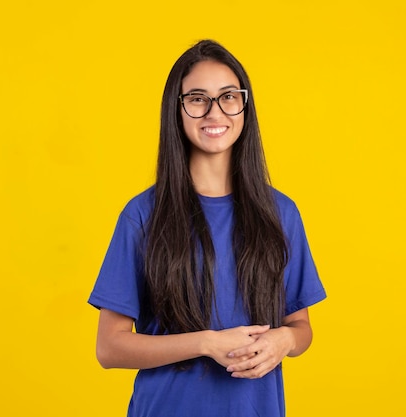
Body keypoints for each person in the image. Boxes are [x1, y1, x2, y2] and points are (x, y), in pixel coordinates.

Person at [88, 39, 326, 417]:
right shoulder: (142, 215)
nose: (215, 112)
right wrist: (205, 343)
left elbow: (301, 327)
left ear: (244, 106)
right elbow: (110, 348)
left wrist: (285, 340)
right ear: (177, 110)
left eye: (228, 96)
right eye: (197, 99)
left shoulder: (280, 213)